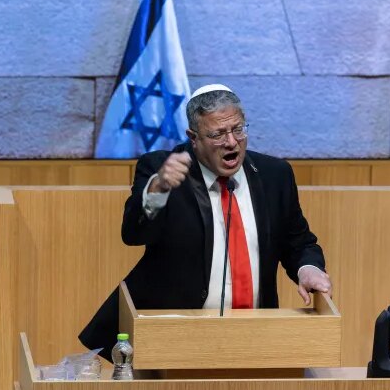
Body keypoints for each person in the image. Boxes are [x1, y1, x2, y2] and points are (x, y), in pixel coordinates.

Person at [79, 84, 332, 356]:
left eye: (238, 129)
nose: (232, 142)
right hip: (178, 335)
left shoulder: (274, 174)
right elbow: (133, 234)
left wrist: (307, 268)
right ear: (193, 137)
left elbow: (298, 241)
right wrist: (158, 190)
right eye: (218, 134)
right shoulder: (162, 169)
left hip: (256, 332)